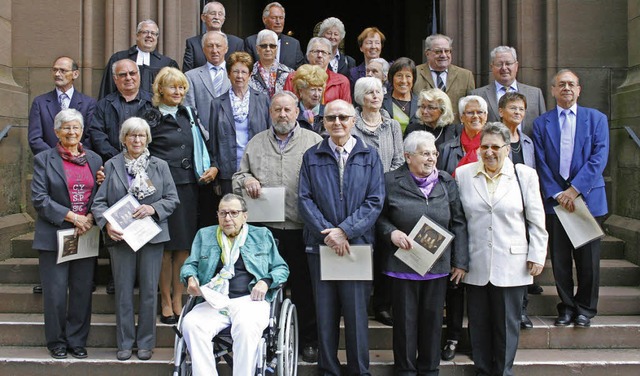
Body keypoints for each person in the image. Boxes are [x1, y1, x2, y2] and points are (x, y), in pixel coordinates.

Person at [232, 91, 323, 363]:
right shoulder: (256, 143)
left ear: (297, 111)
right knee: (265, 286)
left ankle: (309, 341)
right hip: (265, 231)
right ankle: (264, 340)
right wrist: (246, 180)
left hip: (302, 227)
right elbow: (238, 176)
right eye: (277, 110)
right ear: (270, 113)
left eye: (287, 109)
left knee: (305, 289)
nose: (282, 115)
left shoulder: (314, 141)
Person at [298, 99, 385, 375]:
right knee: (325, 313)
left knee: (357, 315)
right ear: (323, 122)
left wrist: (345, 231)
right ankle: (328, 370)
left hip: (355, 247)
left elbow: (374, 201)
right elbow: (304, 199)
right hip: (320, 246)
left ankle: (360, 370)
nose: (337, 123)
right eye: (331, 118)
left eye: (343, 118)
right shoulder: (311, 156)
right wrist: (329, 234)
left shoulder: (370, 156)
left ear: (354, 121)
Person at [455, 122, 547, 376]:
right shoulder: (464, 175)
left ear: (507, 149)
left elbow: (537, 221)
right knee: (479, 325)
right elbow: (459, 221)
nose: (489, 152)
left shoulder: (524, 175)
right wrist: (459, 259)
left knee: (507, 326)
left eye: (495, 146)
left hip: (512, 263)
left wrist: (537, 255)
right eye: (484, 146)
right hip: (476, 262)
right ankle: (482, 370)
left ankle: (503, 372)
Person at [377, 130, 468, 375]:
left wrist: (459, 261)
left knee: (432, 323)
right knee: (405, 325)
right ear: (408, 157)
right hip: (402, 266)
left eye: (434, 153)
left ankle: (429, 370)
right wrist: (391, 233)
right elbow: (378, 216)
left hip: (437, 266)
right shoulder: (389, 181)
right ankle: (405, 370)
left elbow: (458, 222)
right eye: (425, 153)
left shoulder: (446, 181)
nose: (431, 158)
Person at [92, 117, 179, 361]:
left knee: (150, 291)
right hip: (121, 240)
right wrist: (107, 223)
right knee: (123, 291)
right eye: (132, 135)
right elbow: (98, 203)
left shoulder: (160, 166)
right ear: (124, 139)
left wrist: (153, 209)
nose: (137, 140)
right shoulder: (111, 166)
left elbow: (172, 198)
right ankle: (124, 343)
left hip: (151, 237)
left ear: (147, 139)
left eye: (141, 136)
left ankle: (145, 343)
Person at [180, 193, 290, 376]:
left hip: (250, 300)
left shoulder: (261, 235)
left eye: (233, 213)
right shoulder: (205, 235)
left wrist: (265, 281)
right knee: (191, 324)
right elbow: (190, 265)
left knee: (246, 327)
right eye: (223, 213)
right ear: (217, 215)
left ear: (245, 216)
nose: (227, 218)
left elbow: (281, 268)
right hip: (214, 300)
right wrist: (190, 277)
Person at [533, 69, 609, 328]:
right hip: (556, 202)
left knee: (588, 261)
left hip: (587, 199)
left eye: (571, 84)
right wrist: (557, 193)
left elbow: (599, 158)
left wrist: (574, 190)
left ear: (579, 89)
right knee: (561, 260)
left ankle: (585, 308)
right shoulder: (542, 123)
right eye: (561, 84)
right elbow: (540, 162)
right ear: (553, 90)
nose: (566, 88)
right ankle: (566, 307)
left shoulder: (596, 119)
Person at [140, 67, 217, 325]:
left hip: (187, 186)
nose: (178, 92)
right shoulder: (149, 116)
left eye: (182, 87)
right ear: (160, 89)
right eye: (173, 87)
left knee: (183, 245)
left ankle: (179, 298)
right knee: (164, 247)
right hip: (160, 189)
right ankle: (164, 300)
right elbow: (140, 152)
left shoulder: (189, 113)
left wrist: (211, 166)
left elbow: (203, 145)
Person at [31, 109, 103, 359]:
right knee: (55, 291)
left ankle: (77, 340)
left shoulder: (94, 159)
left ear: (82, 131)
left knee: (82, 289)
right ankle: (56, 342)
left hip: (85, 233)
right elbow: (40, 199)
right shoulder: (44, 159)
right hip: (55, 234)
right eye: (66, 128)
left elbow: (99, 196)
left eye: (76, 128)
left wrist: (90, 218)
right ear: (56, 131)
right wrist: (73, 217)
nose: (72, 132)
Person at [437, 94, 488, 361]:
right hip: (455, 224)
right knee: (454, 284)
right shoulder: (447, 149)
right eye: (470, 113)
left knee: (481, 284)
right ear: (461, 117)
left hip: (484, 226)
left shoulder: (493, 146)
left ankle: (480, 339)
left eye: (480, 113)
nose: (475, 117)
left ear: (487, 117)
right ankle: (453, 336)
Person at [498, 91, 537, 329]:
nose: (518, 113)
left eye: (521, 109)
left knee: (522, 259)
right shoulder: (492, 139)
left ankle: (522, 309)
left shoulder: (528, 142)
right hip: (499, 204)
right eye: (513, 108)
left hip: (522, 206)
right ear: (501, 111)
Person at [209, 52, 270, 195]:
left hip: (258, 170)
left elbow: (270, 135)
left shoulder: (263, 100)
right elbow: (213, 143)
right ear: (228, 74)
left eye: (244, 72)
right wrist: (216, 178)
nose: (239, 76)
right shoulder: (217, 104)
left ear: (249, 75)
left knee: (256, 215)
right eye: (235, 71)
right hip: (228, 171)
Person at [471, 46, 546, 137]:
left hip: (526, 149)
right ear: (492, 67)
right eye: (499, 64)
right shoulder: (477, 95)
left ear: (516, 66)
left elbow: (543, 128)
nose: (504, 68)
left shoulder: (535, 94)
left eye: (508, 63)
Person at [89, 59, 154, 163]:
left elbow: (160, 136)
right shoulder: (104, 105)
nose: (128, 78)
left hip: (148, 164)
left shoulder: (153, 103)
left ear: (139, 75)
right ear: (115, 79)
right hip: (113, 164)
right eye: (123, 74)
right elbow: (97, 134)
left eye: (132, 73)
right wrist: (119, 158)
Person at [29, 56, 96, 156]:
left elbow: (91, 137)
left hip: (78, 163)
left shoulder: (89, 103)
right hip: (49, 163)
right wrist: (54, 157)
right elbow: (35, 138)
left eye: (62, 71)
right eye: (55, 70)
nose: (57, 74)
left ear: (75, 74)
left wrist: (75, 156)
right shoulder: (40, 102)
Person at [98, 20, 178, 99]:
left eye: (153, 33)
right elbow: (107, 90)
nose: (149, 35)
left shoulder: (167, 63)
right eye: (145, 32)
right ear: (137, 35)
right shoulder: (119, 59)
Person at [413, 34, 475, 122]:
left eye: (447, 51)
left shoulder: (465, 76)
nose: (443, 55)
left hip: (454, 130)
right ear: (427, 53)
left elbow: (471, 106)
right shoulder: (415, 73)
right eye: (438, 52)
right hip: (424, 128)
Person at [352, 77, 404, 173]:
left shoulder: (393, 125)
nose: (375, 96)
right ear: (360, 96)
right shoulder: (351, 126)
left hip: (388, 184)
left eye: (378, 92)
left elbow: (399, 161)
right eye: (369, 92)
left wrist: (385, 181)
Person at [184, 31, 232, 129]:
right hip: (203, 137)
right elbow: (190, 111)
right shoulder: (191, 77)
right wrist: (205, 135)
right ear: (203, 49)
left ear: (226, 49)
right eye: (210, 46)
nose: (214, 50)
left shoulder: (238, 75)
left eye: (218, 46)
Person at [283, 37, 352, 103]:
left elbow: (347, 111)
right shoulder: (293, 78)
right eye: (316, 51)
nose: (319, 55)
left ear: (330, 57)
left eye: (324, 52)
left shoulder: (342, 82)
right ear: (307, 55)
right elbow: (286, 106)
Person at [182, 1, 244, 72]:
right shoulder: (193, 43)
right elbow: (187, 74)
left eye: (220, 14)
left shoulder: (236, 43)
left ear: (223, 19)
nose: (216, 17)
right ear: (203, 17)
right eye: (212, 13)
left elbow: (242, 71)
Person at [244, 2, 305, 70]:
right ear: (264, 19)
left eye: (281, 18)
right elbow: (247, 69)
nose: (278, 22)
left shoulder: (294, 44)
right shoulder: (251, 42)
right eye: (274, 18)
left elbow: (300, 71)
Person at [248, 29, 293, 97]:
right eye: (264, 46)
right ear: (257, 49)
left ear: (276, 49)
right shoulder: (249, 74)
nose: (268, 49)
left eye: (272, 46)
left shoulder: (289, 73)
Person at [382, 58, 418, 133]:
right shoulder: (381, 101)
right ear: (391, 78)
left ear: (413, 79)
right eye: (399, 76)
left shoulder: (421, 103)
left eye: (408, 76)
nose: (404, 81)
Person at [291, 64, 328, 135]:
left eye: (320, 90)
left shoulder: (328, 113)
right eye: (313, 90)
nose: (317, 94)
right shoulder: (292, 113)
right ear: (301, 91)